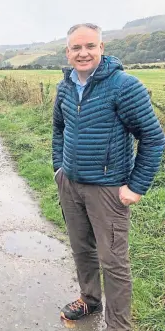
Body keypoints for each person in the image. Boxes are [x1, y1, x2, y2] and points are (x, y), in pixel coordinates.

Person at [52, 24, 165, 330]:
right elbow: (59, 129)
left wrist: (137, 186)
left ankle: (119, 325)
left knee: (113, 262)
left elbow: (153, 138)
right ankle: (89, 299)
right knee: (81, 248)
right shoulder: (65, 86)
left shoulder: (123, 86)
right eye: (76, 48)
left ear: (102, 48)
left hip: (108, 190)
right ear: (68, 52)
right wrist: (58, 168)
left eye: (90, 46)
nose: (83, 53)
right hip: (70, 185)